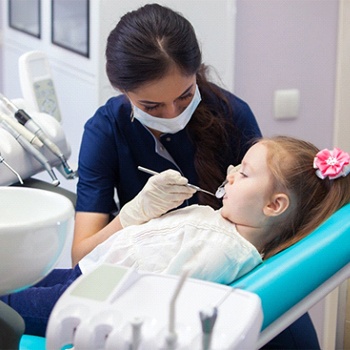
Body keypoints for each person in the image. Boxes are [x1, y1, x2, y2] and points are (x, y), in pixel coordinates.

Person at [2, 136, 350, 344]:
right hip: (92, 276)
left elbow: (155, 296)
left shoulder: (224, 251)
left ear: (274, 206)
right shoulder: (221, 221)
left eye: (243, 173)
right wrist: (141, 211)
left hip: (96, 299)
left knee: (8, 310)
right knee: (11, 281)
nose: (230, 173)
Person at [72, 3, 261, 266]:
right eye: (151, 106)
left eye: (185, 96)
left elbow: (269, 219)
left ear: (195, 72)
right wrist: (132, 215)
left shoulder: (233, 115)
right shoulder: (105, 130)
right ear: (121, 89)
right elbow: (80, 258)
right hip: (149, 275)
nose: (172, 114)